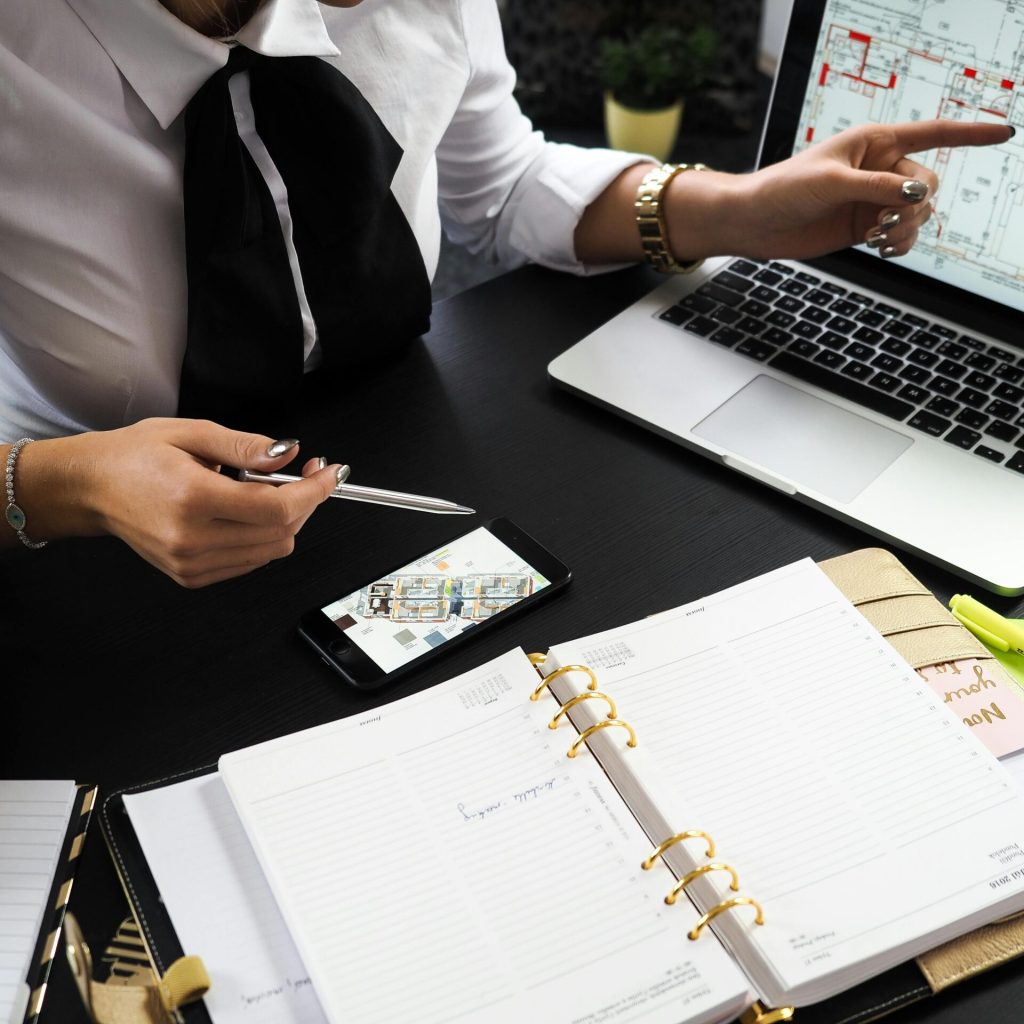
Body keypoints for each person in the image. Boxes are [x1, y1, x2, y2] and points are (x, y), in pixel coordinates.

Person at [0, 0, 1012, 587]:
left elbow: (495, 181)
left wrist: (730, 209)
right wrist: (60, 483)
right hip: (82, 570)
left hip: (404, 459)